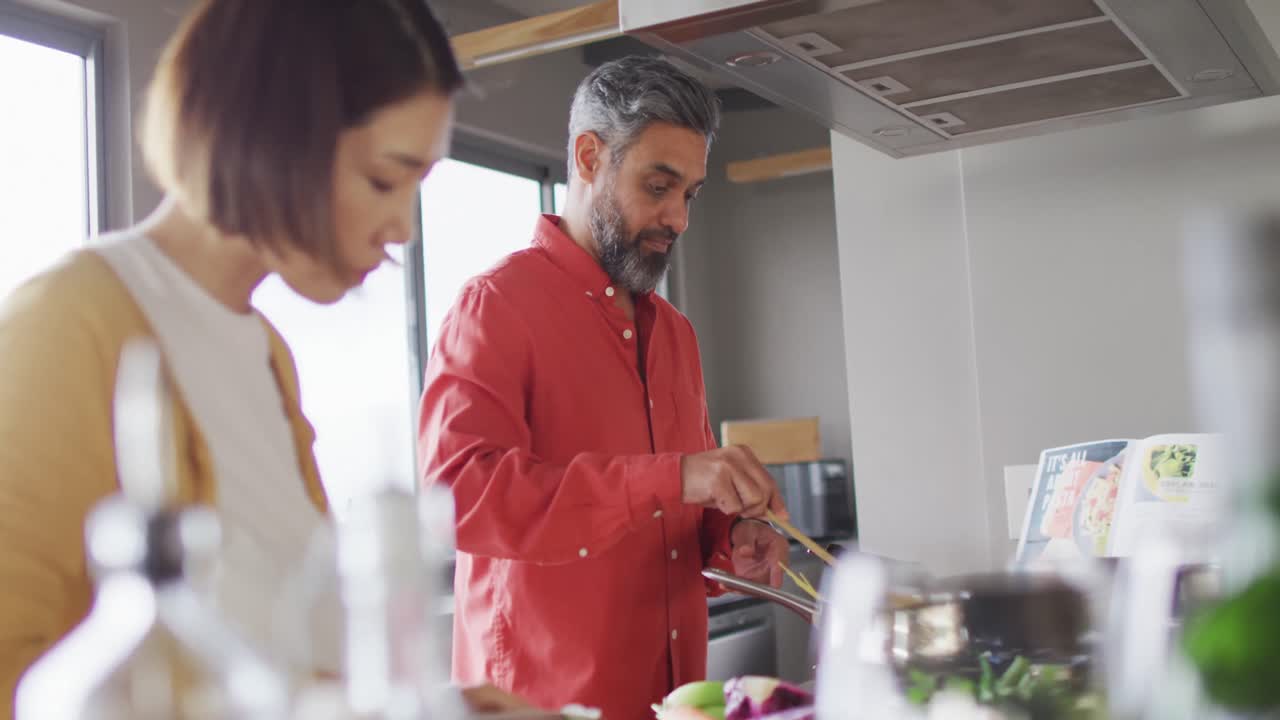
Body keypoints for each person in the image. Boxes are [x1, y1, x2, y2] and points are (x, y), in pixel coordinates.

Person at [0, 0, 529, 715]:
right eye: (383, 179)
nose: (403, 227)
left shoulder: (266, 353)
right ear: (271, 138)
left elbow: (278, 663)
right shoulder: (70, 322)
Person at [418, 55, 792, 720]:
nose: (678, 218)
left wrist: (733, 532)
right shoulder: (494, 307)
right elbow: (458, 500)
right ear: (589, 158)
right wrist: (672, 477)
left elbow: (678, 507)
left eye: (689, 194)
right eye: (659, 186)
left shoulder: (675, 334)